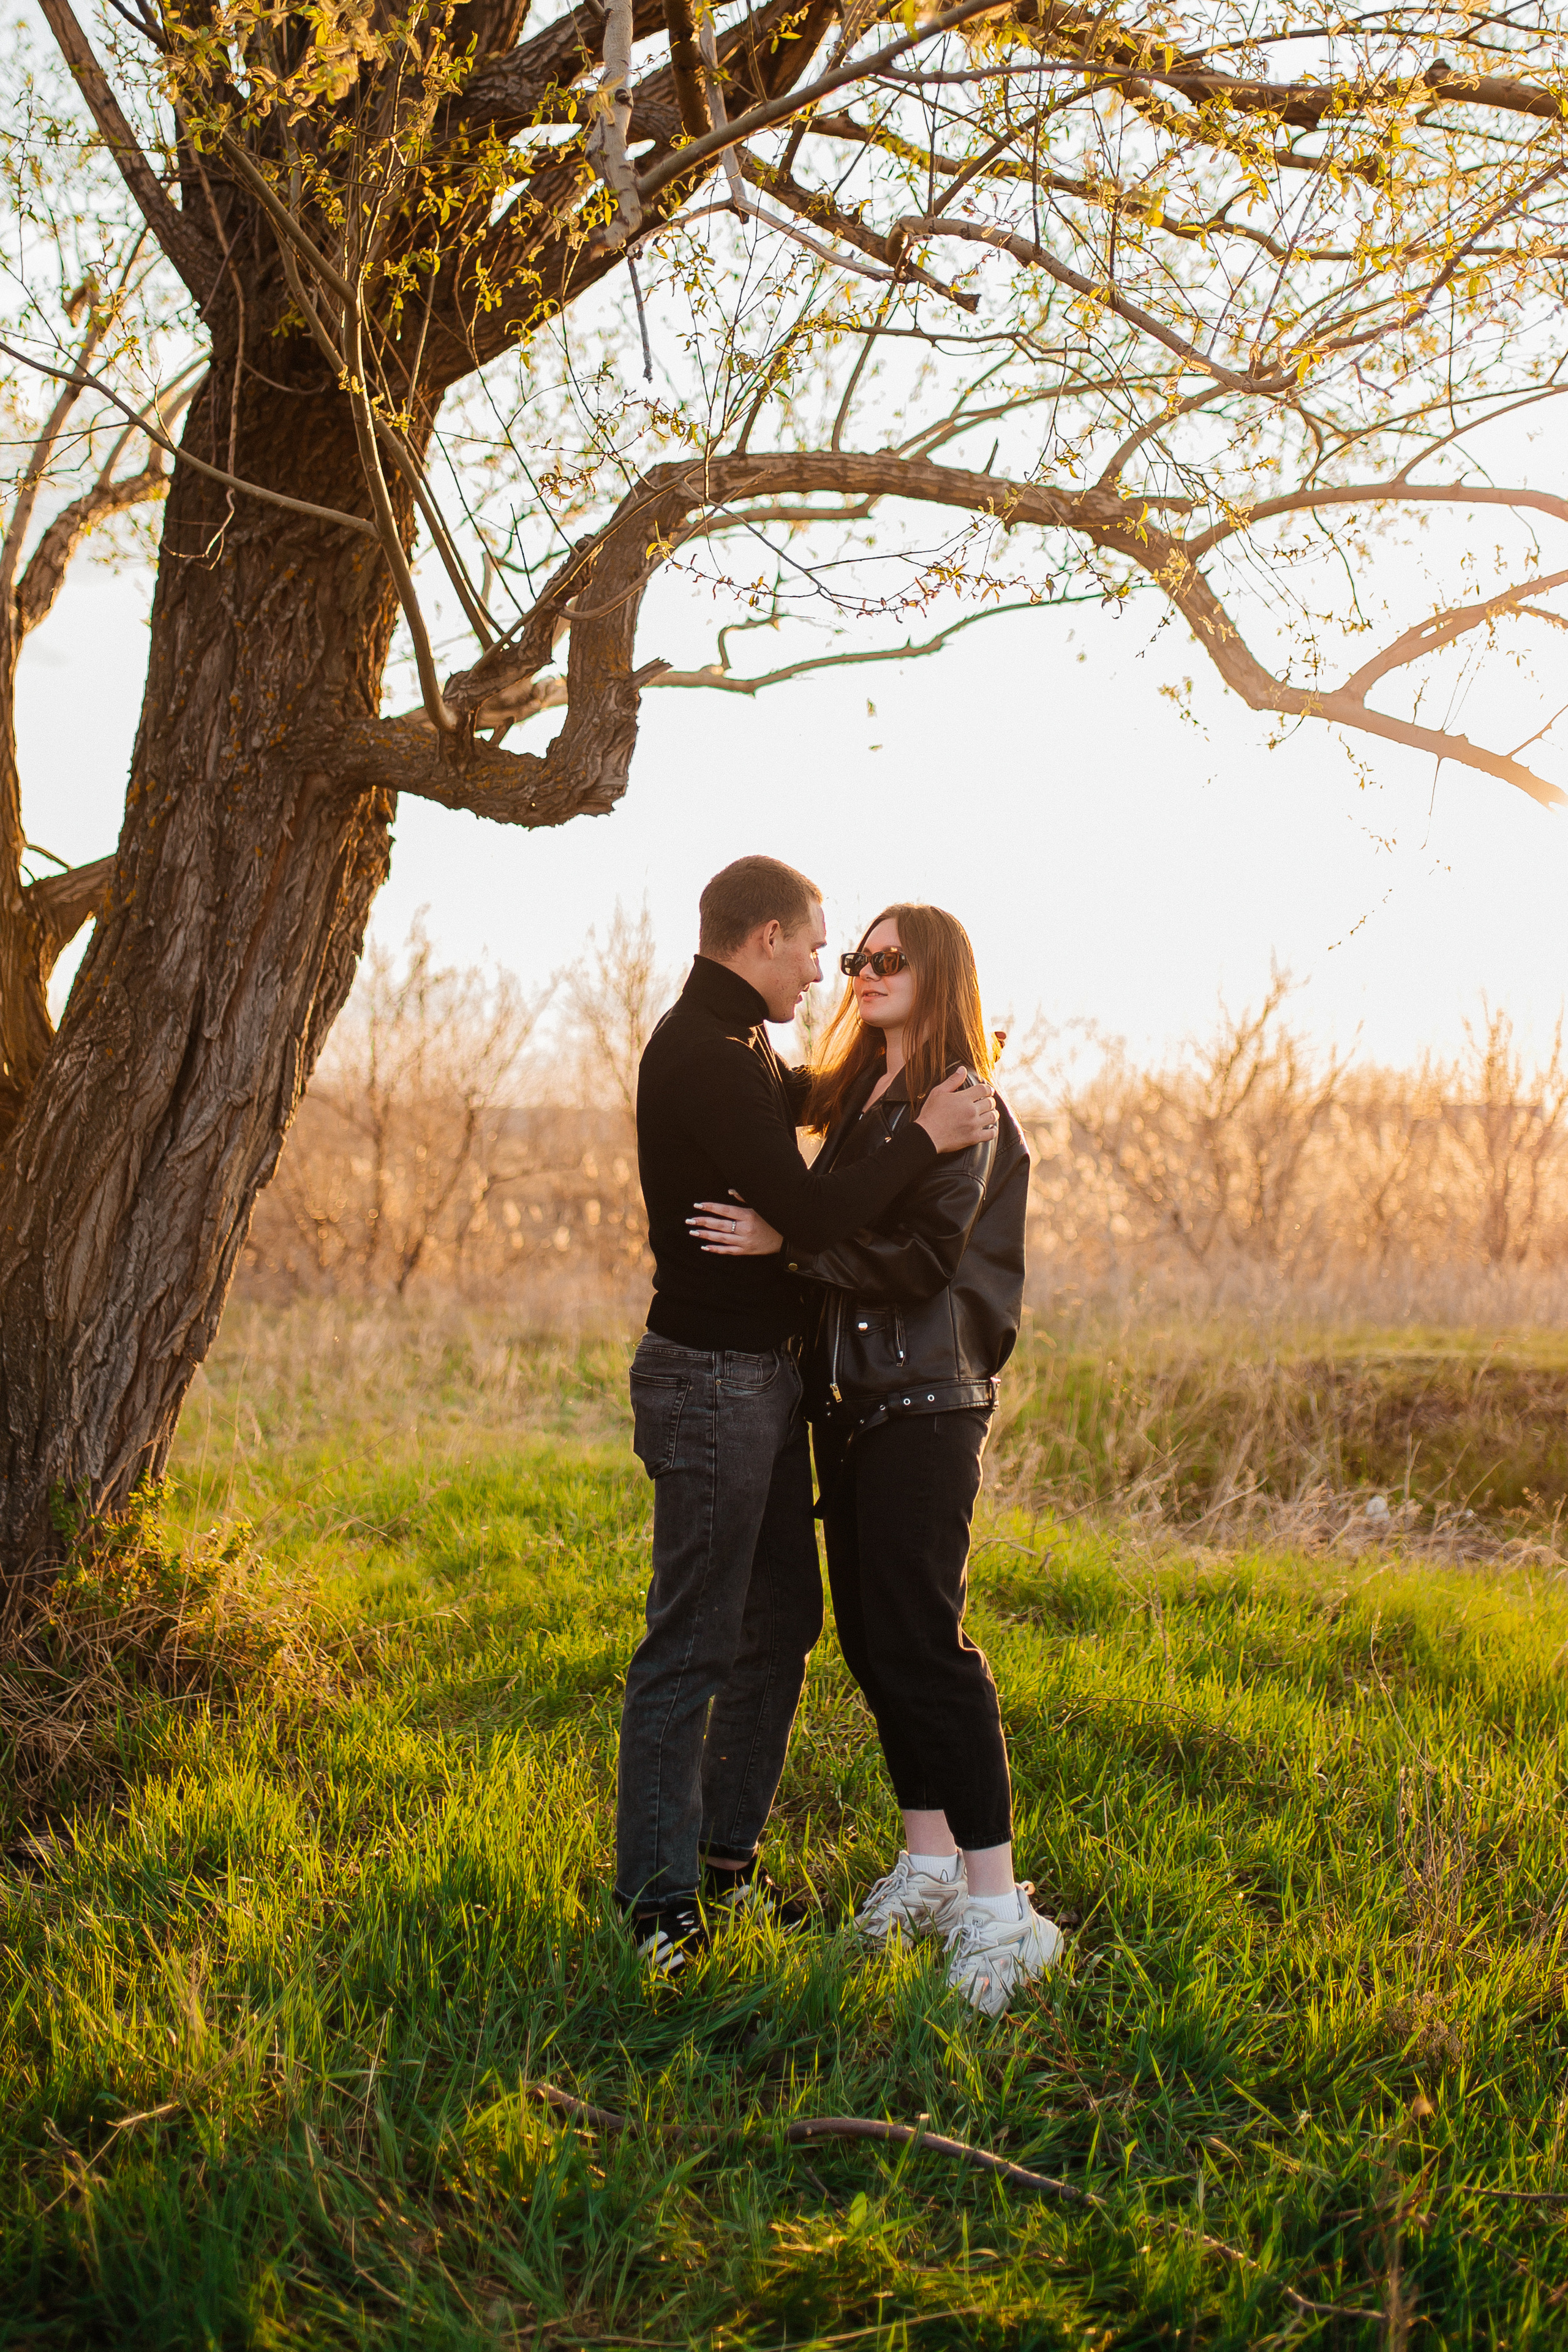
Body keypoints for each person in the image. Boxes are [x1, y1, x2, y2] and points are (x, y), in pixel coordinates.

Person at [618, 858, 998, 1976]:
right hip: (712, 1379)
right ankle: (656, 1905)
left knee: (779, 1630)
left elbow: (826, 1101)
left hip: (766, 1382)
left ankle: (726, 1866)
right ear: (769, 936)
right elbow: (819, 1208)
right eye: (827, 950)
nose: (832, 973)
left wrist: (922, 1082)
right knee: (692, 1641)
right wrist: (926, 1137)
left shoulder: (744, 1050)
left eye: (871, 962)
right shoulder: (704, 1056)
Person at [690, 903, 1062, 2015]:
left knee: (925, 1645)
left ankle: (1002, 1911)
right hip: (850, 1406)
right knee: (870, 1643)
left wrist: (786, 1242)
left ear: (940, 969)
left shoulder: (965, 1106)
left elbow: (919, 1260)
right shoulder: (862, 1104)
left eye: (889, 959)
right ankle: (928, 1865)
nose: (863, 972)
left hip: (929, 1402)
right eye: (855, 959)